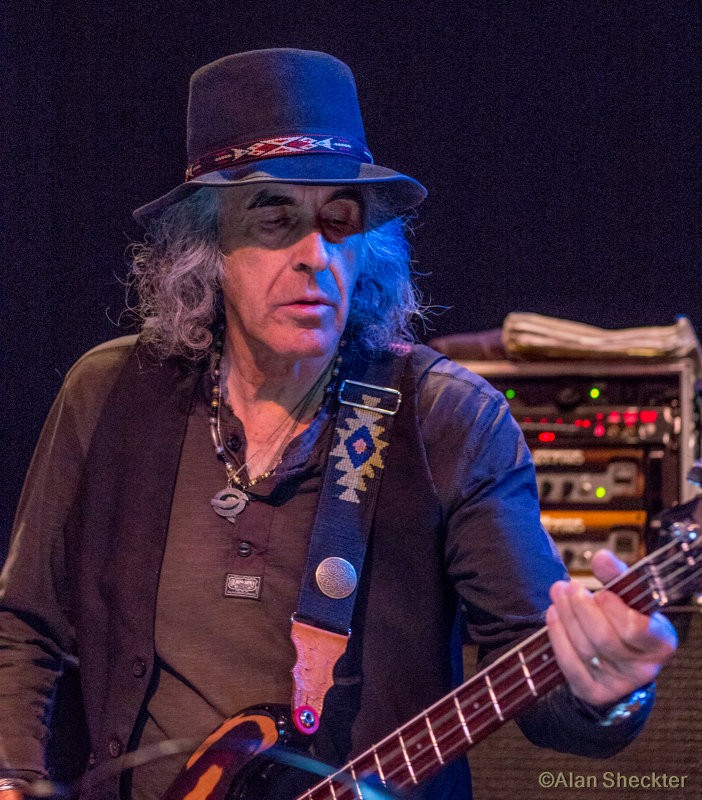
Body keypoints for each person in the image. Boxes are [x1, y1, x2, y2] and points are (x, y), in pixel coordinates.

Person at [0, 49, 676, 800]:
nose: (315, 254)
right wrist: (12, 779)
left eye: (339, 220)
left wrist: (609, 688)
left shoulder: (449, 418)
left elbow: (541, 680)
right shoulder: (110, 393)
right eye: (274, 218)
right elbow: (23, 625)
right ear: (207, 247)